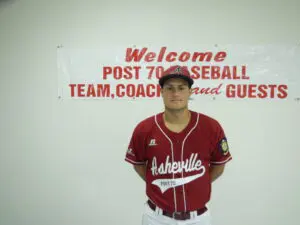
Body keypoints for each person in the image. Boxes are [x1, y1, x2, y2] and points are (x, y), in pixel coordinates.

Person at [125, 65, 232, 225]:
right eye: (169, 88)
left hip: (198, 219)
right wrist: (161, 182)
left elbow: (218, 166)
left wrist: (196, 182)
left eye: (181, 88)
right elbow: (139, 165)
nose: (175, 93)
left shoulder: (210, 127)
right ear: (161, 92)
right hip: (156, 217)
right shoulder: (144, 129)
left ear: (190, 92)